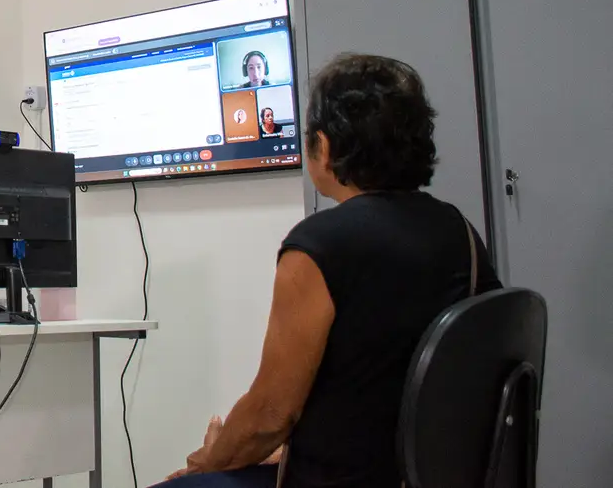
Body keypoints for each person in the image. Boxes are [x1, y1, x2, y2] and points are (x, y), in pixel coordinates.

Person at [159, 54, 500, 488]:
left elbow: (270, 416)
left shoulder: (318, 245)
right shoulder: (460, 232)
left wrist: (211, 460)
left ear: (322, 145)